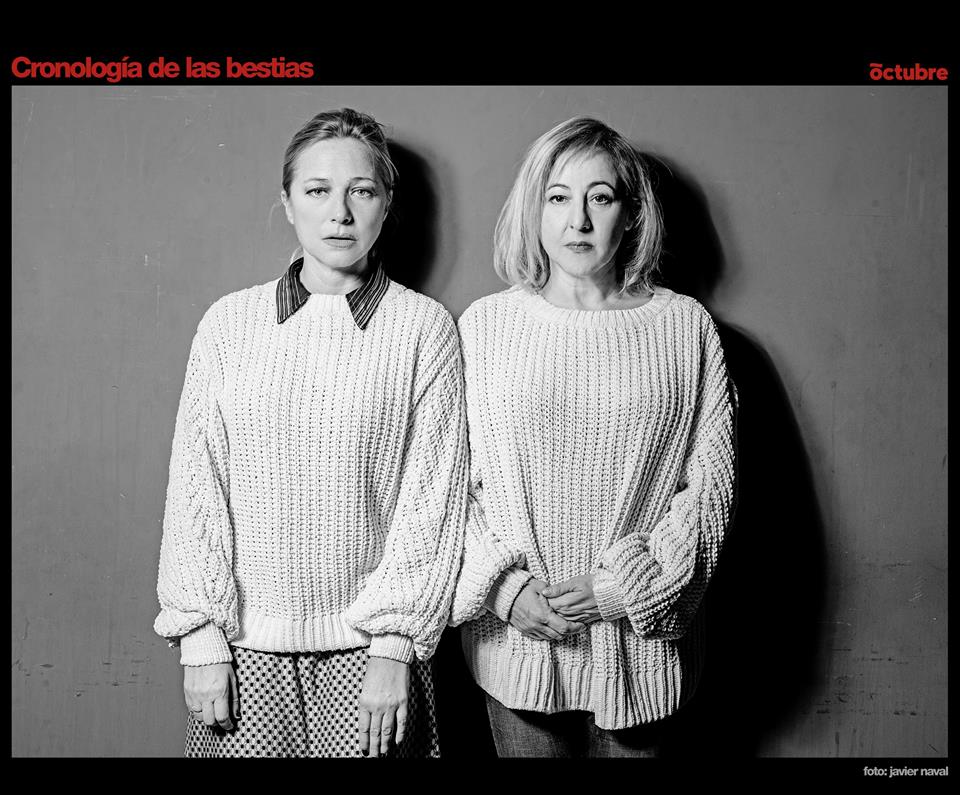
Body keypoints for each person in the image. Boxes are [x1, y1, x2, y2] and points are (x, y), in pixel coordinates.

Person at [154, 108, 466, 758]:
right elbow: (195, 486)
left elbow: (431, 502)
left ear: (387, 203)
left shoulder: (423, 328)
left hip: (370, 653)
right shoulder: (229, 324)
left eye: (362, 190)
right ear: (288, 201)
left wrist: (394, 647)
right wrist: (200, 638)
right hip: (241, 649)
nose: (339, 213)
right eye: (318, 190)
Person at [450, 116, 738, 757]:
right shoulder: (485, 328)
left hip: (645, 655)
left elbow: (709, 495)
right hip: (518, 649)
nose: (577, 221)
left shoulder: (685, 329)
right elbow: (446, 485)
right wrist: (503, 590)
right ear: (535, 210)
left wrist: (620, 590)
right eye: (558, 197)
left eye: (599, 198)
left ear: (631, 214)